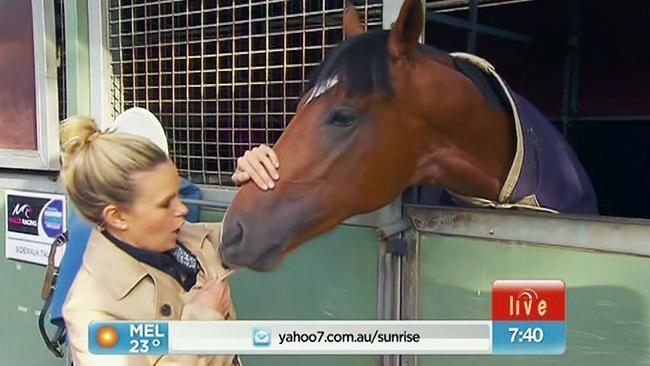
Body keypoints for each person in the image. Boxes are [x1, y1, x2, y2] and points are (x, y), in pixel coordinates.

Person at [59, 115, 278, 366]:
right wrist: (204, 320)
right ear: (117, 216)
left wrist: (256, 183)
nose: (182, 209)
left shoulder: (187, 242)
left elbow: (256, 233)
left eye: (178, 193)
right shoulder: (91, 311)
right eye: (165, 204)